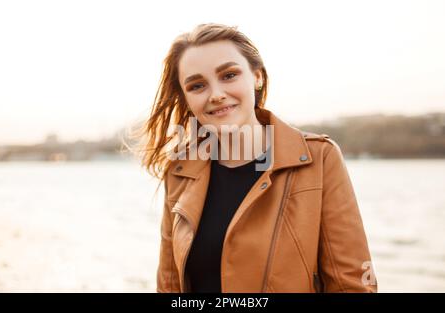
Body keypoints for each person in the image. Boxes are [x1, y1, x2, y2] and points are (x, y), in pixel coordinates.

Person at [136, 23, 377, 293]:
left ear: (257, 77)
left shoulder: (319, 158)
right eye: (197, 85)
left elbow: (352, 284)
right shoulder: (179, 172)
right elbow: (169, 288)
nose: (216, 95)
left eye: (228, 75)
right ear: (186, 97)